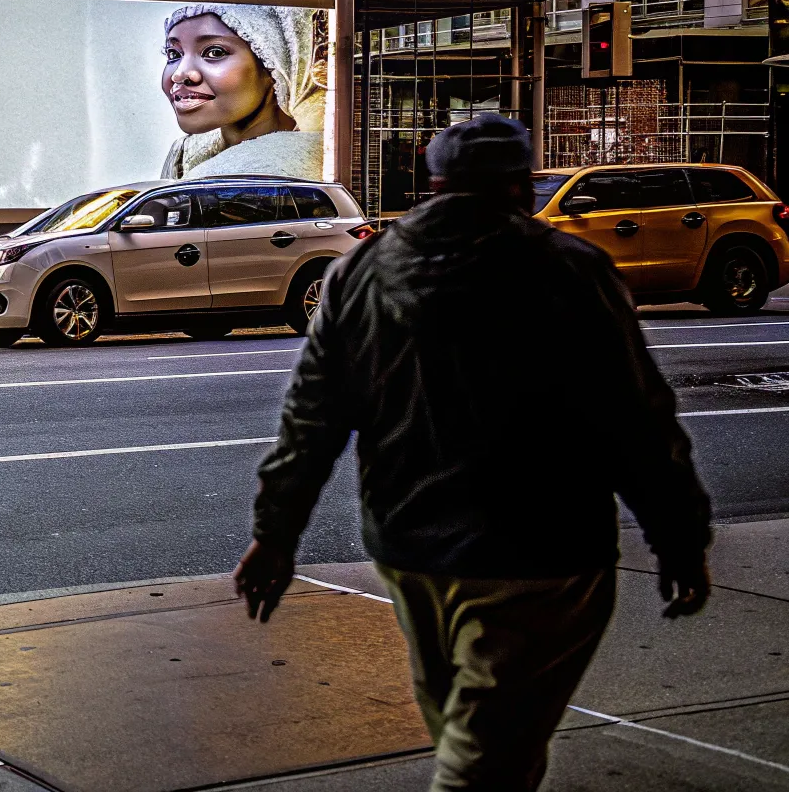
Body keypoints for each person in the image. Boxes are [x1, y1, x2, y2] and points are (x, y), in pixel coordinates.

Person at [233, 113, 712, 792]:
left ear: (434, 182)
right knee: (488, 755)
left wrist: (275, 536)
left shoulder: (360, 273)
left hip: (409, 550)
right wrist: (679, 537)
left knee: (483, 742)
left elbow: (310, 421)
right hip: (542, 554)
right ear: (521, 185)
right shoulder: (571, 270)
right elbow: (636, 418)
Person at [159, 4, 325, 181]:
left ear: (274, 65)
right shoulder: (186, 152)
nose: (178, 75)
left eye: (215, 52)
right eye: (173, 54)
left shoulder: (307, 163)